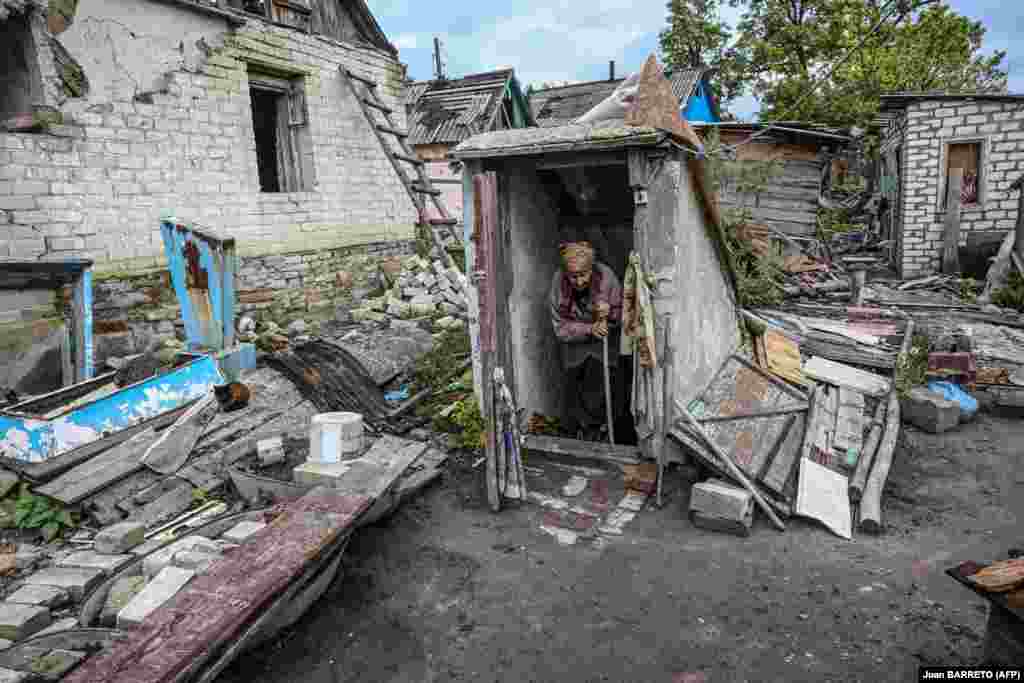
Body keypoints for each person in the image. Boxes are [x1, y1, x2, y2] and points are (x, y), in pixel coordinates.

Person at [549, 241, 623, 441]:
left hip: (604, 349)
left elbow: (622, 311)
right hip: (574, 350)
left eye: (583, 275)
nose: (579, 281)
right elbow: (560, 327)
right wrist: (590, 328)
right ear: (566, 273)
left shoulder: (606, 278)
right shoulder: (558, 282)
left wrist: (610, 314)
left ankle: (607, 433)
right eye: (573, 277)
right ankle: (583, 436)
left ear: (591, 269)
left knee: (605, 393)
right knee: (576, 396)